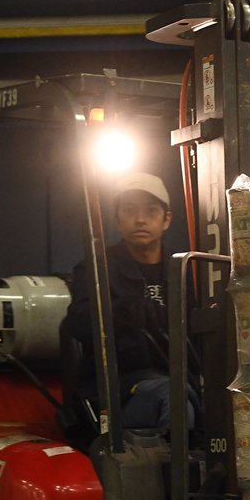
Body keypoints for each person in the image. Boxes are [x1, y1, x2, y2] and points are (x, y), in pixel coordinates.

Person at [62, 172, 197, 431]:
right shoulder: (97, 268)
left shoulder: (185, 270)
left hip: (178, 380)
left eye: (151, 211)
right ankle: (174, 469)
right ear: (116, 219)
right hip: (120, 390)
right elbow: (77, 323)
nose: (140, 219)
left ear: (166, 219)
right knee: (173, 398)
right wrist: (122, 310)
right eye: (129, 210)